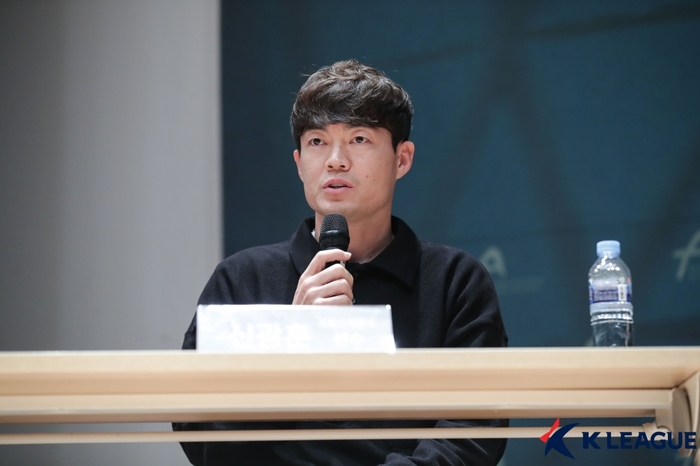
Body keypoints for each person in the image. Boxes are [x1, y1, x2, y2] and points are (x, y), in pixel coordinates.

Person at [174, 59, 509, 466]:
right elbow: (202, 434)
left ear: (402, 159)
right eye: (317, 142)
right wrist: (290, 343)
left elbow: (473, 430)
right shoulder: (241, 278)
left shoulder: (455, 280)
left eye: (359, 139)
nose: (335, 160)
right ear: (299, 163)